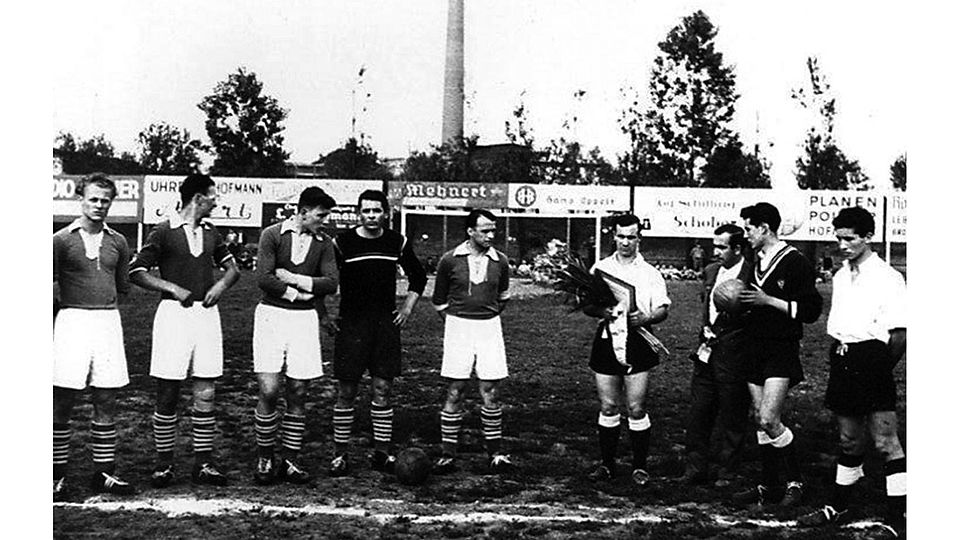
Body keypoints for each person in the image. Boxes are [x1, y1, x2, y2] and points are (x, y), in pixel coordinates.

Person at [797, 207, 906, 535]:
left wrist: (877, 369)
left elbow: (899, 335)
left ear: (867, 237)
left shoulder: (888, 277)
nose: (843, 245)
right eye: (839, 238)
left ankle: (898, 517)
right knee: (848, 440)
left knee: (886, 442)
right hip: (842, 357)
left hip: (872, 358)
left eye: (851, 238)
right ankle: (839, 505)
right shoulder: (842, 274)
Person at [129, 173, 241, 488]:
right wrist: (171, 288)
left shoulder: (211, 232)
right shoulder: (164, 231)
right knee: (168, 391)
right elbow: (135, 272)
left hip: (207, 317)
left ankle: (203, 464)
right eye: (213, 196)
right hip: (173, 317)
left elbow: (233, 269)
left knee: (206, 390)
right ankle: (163, 464)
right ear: (197, 199)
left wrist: (220, 285)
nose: (216, 201)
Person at [329, 189, 428, 476]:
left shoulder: (396, 241)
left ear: (386, 213)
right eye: (366, 211)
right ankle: (340, 454)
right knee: (346, 391)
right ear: (359, 213)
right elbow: (327, 278)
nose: (371, 216)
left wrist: (407, 308)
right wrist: (330, 314)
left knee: (383, 388)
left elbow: (418, 276)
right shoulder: (342, 242)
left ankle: (382, 453)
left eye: (377, 211)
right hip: (351, 324)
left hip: (384, 324)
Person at [732, 202, 823, 508]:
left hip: (780, 347)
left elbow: (811, 311)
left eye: (748, 229)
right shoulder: (753, 259)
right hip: (753, 345)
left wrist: (767, 300)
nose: (746, 235)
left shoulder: (795, 261)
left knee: (770, 418)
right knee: (760, 419)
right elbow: (747, 302)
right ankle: (768, 485)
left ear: (764, 228)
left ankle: (795, 481)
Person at [53, 173, 136, 498]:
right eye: (94, 199)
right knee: (63, 400)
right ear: (81, 200)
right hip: (71, 322)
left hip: (107, 323)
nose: (99, 205)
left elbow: (124, 287)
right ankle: (56, 475)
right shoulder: (60, 240)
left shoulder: (118, 241)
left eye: (105, 200)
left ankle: (103, 473)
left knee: (106, 398)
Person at [251, 187, 339, 486]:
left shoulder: (324, 243)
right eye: (321, 215)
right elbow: (264, 278)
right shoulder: (272, 235)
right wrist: (298, 295)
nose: (325, 220)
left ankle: (290, 460)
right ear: (303, 211)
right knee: (269, 390)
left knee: (299, 391)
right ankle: (264, 456)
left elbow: (331, 283)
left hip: (304, 322)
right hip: (271, 317)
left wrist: (293, 278)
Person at [583, 213, 670, 486]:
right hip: (608, 339)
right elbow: (586, 304)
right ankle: (607, 465)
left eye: (631, 237)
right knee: (608, 405)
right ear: (614, 237)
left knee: (635, 407)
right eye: (621, 236)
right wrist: (603, 310)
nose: (625, 242)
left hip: (638, 341)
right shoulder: (600, 268)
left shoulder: (649, 273)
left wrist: (646, 318)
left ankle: (639, 466)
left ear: (639, 238)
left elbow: (663, 309)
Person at [431, 209, 514, 474]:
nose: (491, 235)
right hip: (458, 328)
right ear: (470, 231)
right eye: (485, 230)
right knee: (456, 389)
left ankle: (495, 453)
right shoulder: (449, 260)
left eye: (493, 230)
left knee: (491, 390)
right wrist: (458, 322)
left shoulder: (500, 261)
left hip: (489, 328)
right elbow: (439, 300)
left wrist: (484, 318)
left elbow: (503, 297)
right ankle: (448, 454)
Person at [682, 224, 752, 485]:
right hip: (706, 351)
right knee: (699, 410)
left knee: (732, 413)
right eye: (715, 246)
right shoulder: (711, 271)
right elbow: (707, 307)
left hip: (735, 354)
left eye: (722, 247)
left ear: (737, 248)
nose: (716, 251)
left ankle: (727, 470)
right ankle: (695, 467)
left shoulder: (751, 274)